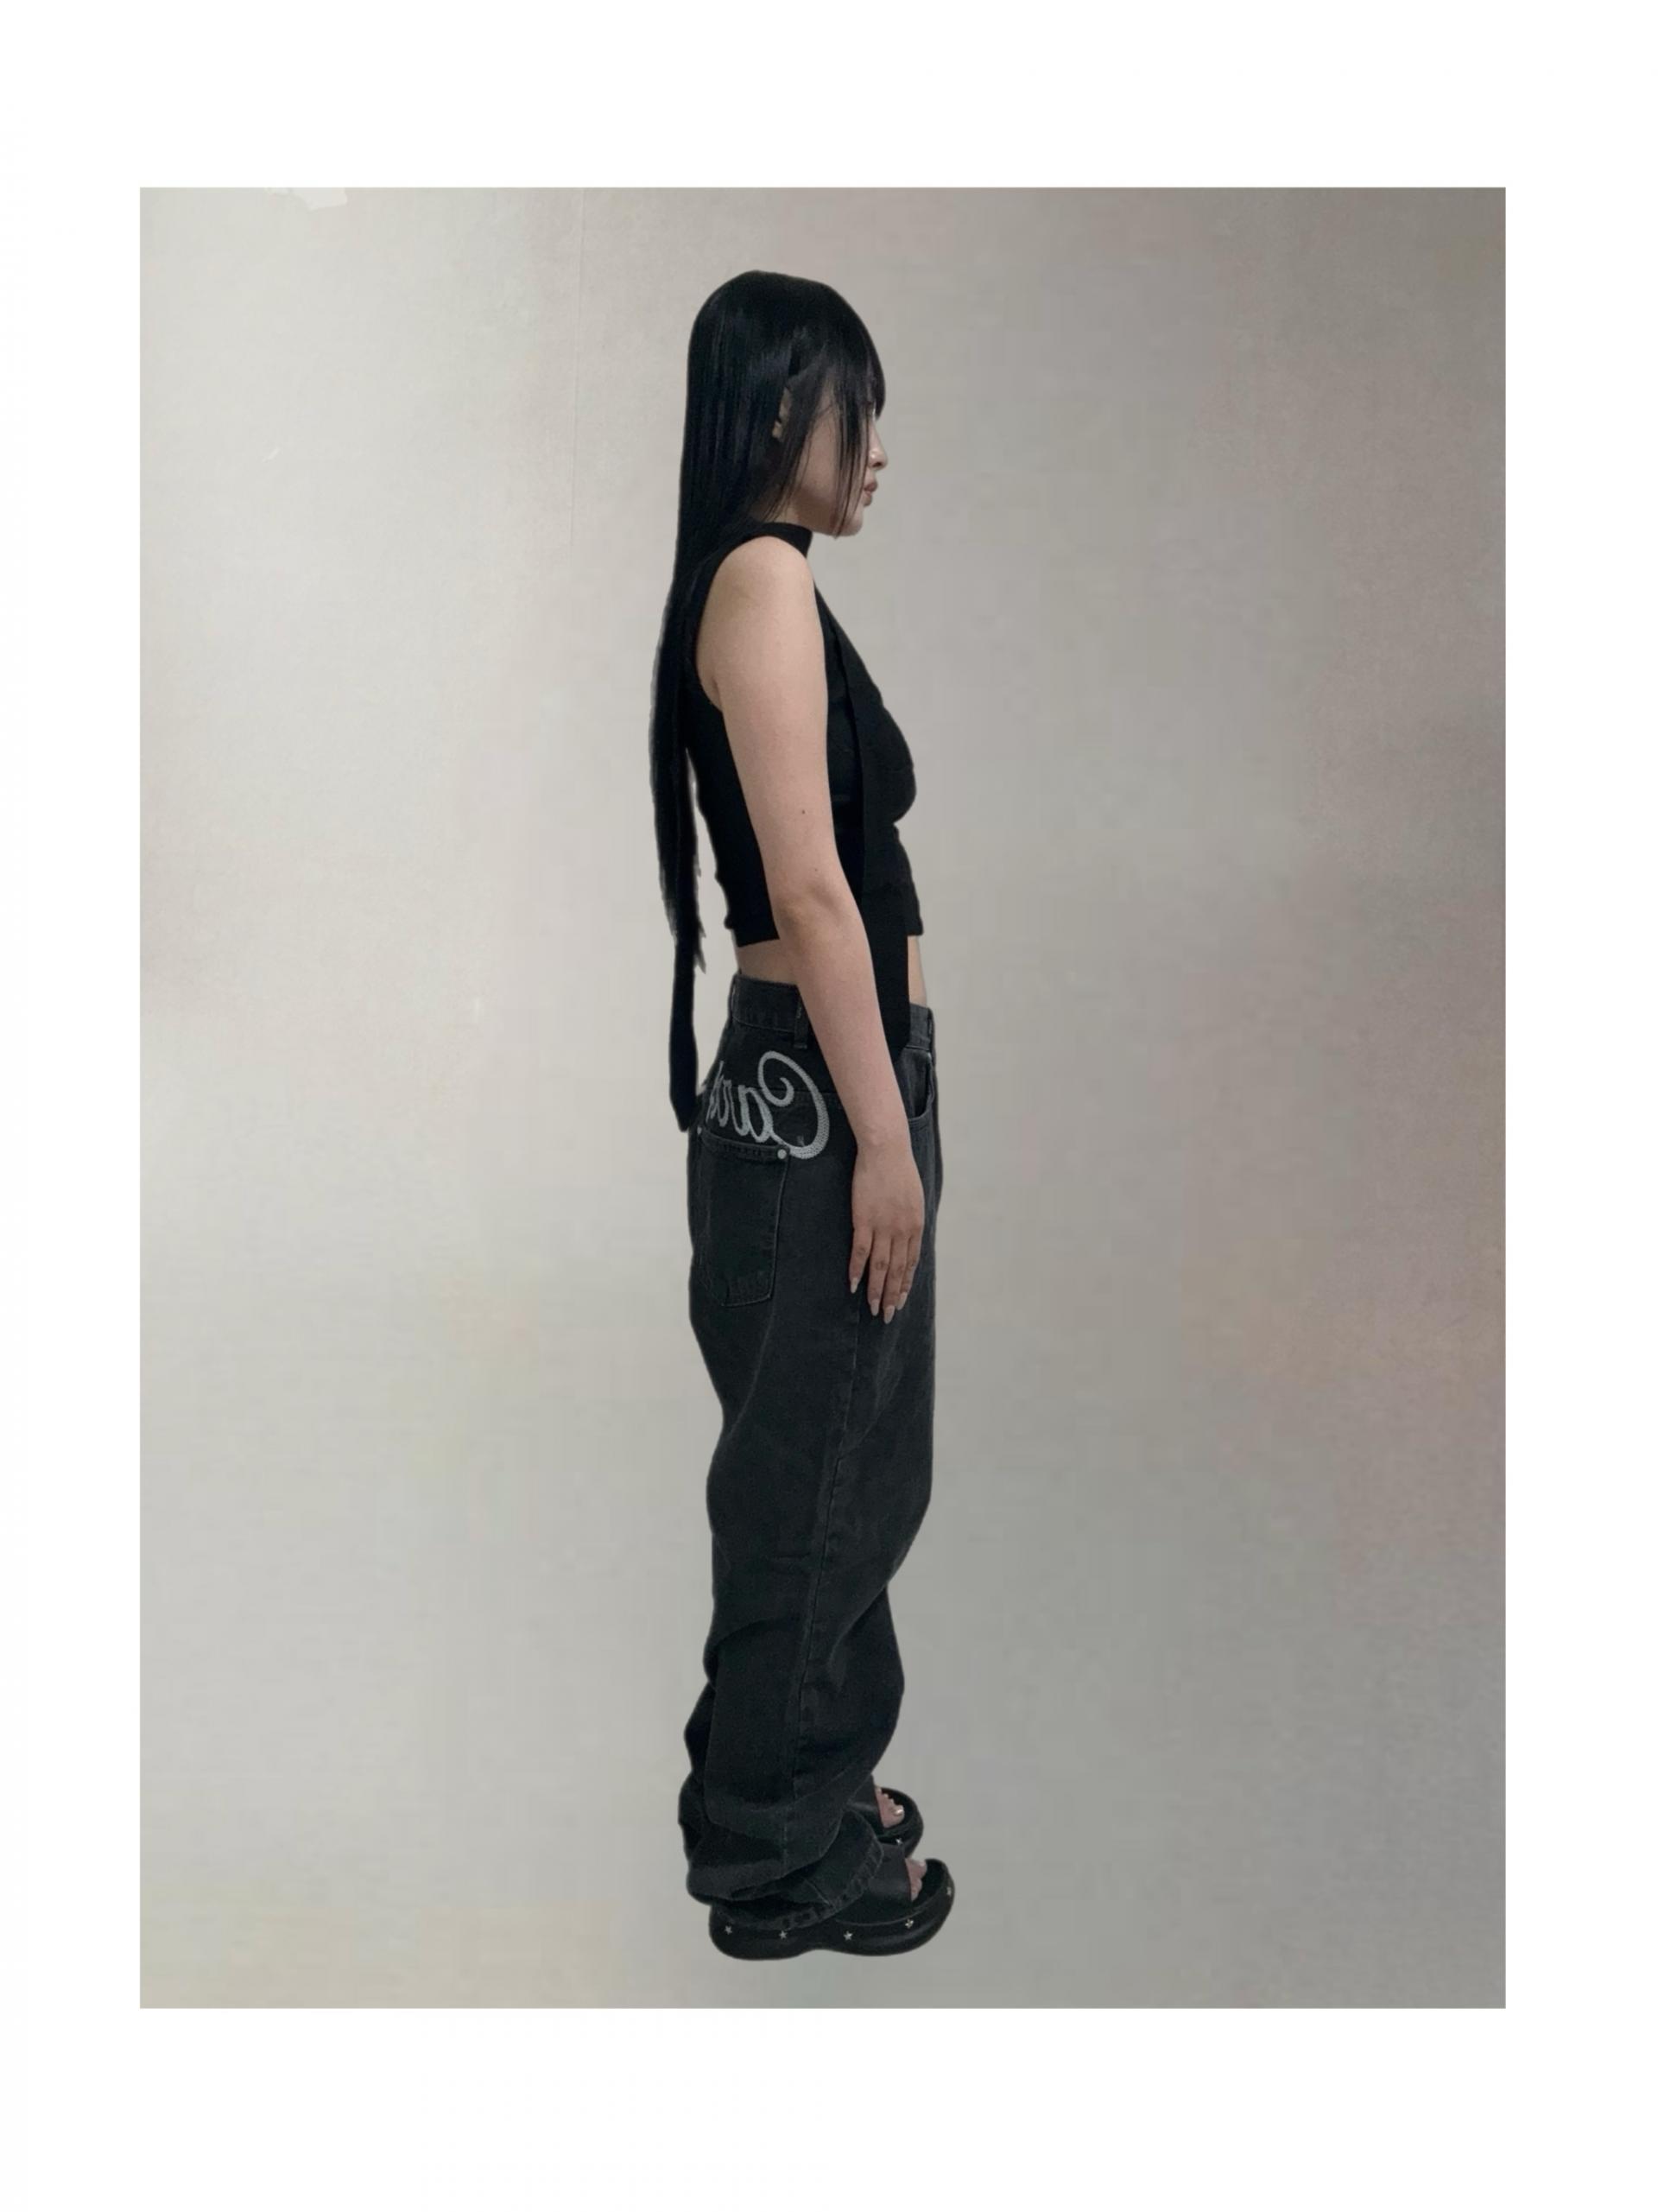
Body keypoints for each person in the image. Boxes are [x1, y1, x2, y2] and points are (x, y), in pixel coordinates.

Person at [648, 271, 954, 1960]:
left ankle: (809, 1788)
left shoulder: (762, 577)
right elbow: (815, 893)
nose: (879, 447)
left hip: (822, 1076)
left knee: (843, 1468)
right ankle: (771, 1853)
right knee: (823, 1478)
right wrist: (884, 1138)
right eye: (859, 406)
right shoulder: (761, 582)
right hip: (823, 1087)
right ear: (780, 409)